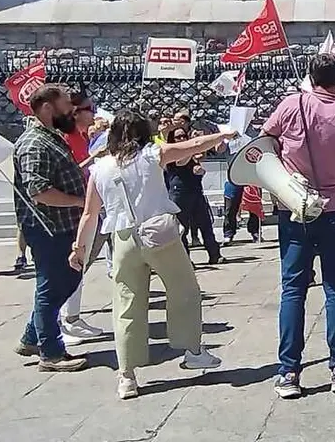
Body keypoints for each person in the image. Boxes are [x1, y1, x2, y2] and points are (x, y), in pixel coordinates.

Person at [69, 111, 231, 399]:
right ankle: (192, 350)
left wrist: (78, 248)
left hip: (122, 239)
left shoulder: (100, 168)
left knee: (126, 304)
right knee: (184, 290)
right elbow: (192, 147)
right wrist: (221, 135)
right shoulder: (151, 154)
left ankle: (126, 375)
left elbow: (89, 214)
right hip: (159, 233)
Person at [262, 53, 335, 399]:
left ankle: (288, 372)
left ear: (310, 76)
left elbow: (264, 143)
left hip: (294, 207)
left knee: (293, 289)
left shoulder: (291, 105)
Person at [12, 84, 89, 371]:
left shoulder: (50, 137)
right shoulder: (35, 143)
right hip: (47, 227)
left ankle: (33, 337)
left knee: (65, 281)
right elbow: (39, 191)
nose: (71, 110)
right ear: (47, 107)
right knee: (51, 286)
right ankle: (52, 352)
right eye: (66, 104)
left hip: (60, 225)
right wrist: (79, 201)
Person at [60, 90, 108, 344]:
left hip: (91, 207)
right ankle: (64, 320)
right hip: (75, 210)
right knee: (73, 264)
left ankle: (72, 317)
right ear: (76, 112)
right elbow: (67, 175)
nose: (95, 112)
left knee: (81, 265)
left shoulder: (84, 136)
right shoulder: (65, 139)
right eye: (90, 108)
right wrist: (93, 158)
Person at [165, 127, 222, 264]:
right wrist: (194, 148)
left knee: (206, 224)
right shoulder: (172, 152)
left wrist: (200, 171)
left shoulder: (191, 155)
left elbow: (196, 168)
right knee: (182, 228)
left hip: (195, 191)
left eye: (184, 136)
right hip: (179, 193)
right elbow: (180, 162)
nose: (182, 139)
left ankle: (214, 254)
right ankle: (185, 259)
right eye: (178, 137)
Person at [222, 179, 262, 244]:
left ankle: (255, 232)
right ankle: (228, 233)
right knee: (230, 208)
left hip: (251, 178)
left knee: (254, 206)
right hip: (233, 178)